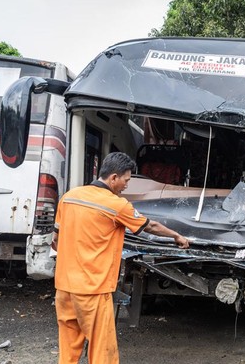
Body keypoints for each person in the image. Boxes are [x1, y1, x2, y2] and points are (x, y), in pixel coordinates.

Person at [51, 152, 190, 364]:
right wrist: (176, 235)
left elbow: (55, 239)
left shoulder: (70, 196)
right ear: (113, 177)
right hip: (92, 289)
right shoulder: (116, 204)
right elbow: (149, 226)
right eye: (126, 180)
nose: (127, 185)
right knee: (102, 350)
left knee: (68, 347)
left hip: (64, 287)